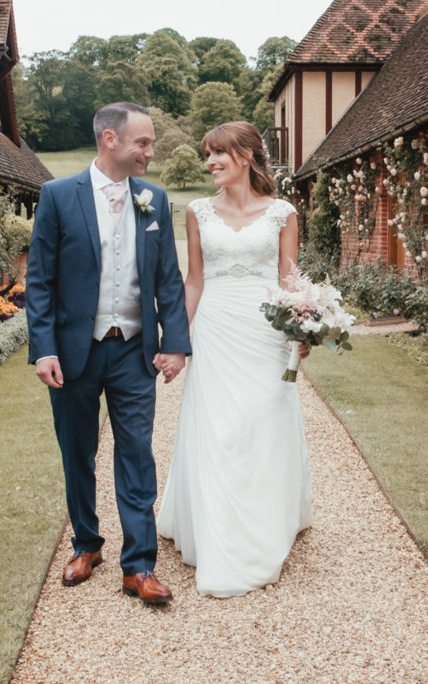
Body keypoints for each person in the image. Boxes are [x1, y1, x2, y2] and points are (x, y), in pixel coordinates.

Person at [25, 102, 190, 604]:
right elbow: (40, 282)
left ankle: (138, 567)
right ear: (110, 141)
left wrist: (176, 344)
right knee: (78, 451)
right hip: (76, 351)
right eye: (143, 142)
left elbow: (168, 280)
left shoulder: (154, 200)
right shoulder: (56, 196)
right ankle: (86, 544)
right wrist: (43, 350)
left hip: (133, 351)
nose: (150, 151)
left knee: (136, 452)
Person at [156, 121, 313, 597]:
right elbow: (195, 281)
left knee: (264, 418)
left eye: (218, 154)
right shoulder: (198, 212)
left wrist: (302, 326)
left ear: (245, 155)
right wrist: (177, 339)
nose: (210, 163)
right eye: (208, 155)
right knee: (219, 427)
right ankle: (219, 530)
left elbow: (290, 281)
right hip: (216, 328)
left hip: (265, 331)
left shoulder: (283, 212)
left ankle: (267, 520)